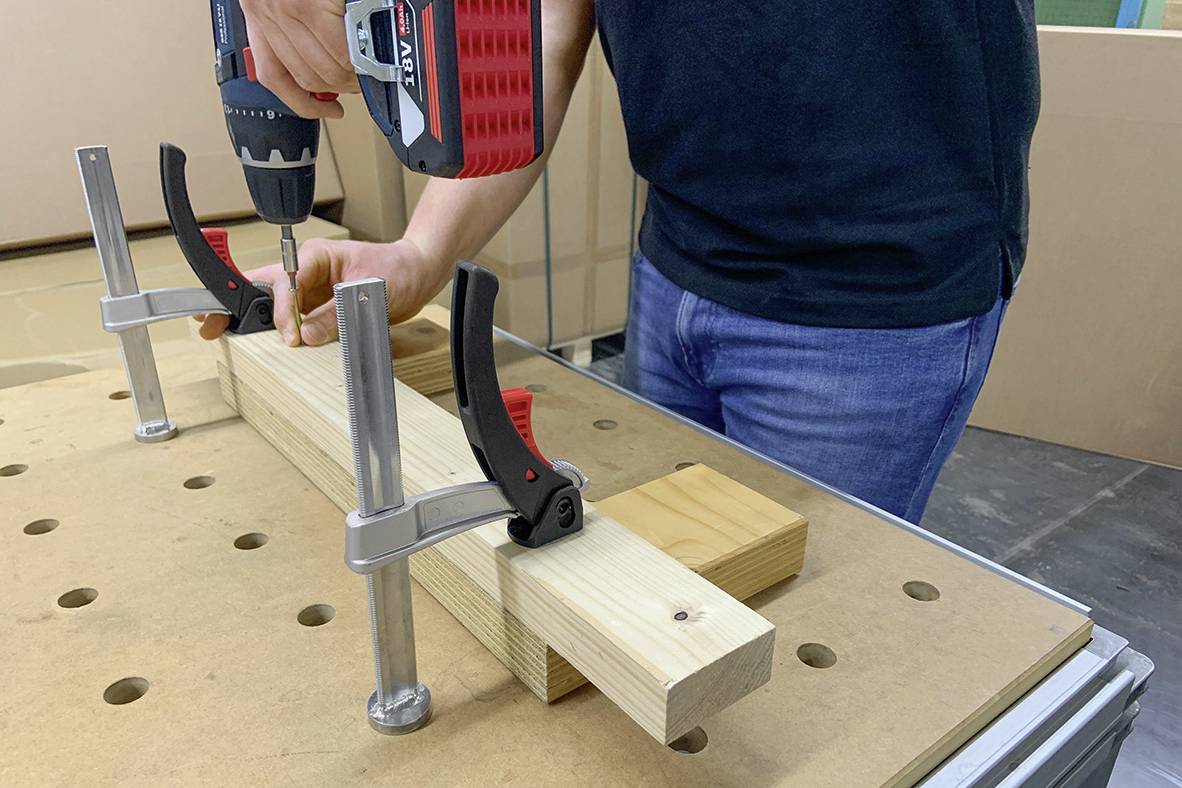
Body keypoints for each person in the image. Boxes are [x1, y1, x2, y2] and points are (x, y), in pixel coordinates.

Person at [200, 0, 1039, 523]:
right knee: (682, 567)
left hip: (869, 305)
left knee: (799, 645)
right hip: (680, 257)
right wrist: (422, 252)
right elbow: (550, 25)